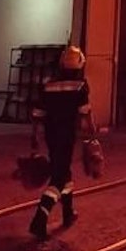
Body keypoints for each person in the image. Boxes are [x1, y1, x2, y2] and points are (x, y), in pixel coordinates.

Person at [28, 44, 95, 240]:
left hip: (51, 135)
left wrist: (35, 135)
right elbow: (85, 112)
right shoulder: (80, 85)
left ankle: (68, 212)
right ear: (80, 64)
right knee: (58, 178)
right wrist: (92, 132)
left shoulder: (48, 84)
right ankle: (39, 218)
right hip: (66, 135)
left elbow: (38, 113)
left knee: (64, 171)